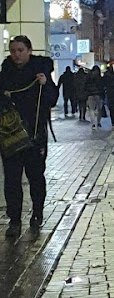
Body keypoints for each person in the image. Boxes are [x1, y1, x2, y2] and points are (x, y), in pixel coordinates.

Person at [0, 36, 58, 238]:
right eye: (13, 50)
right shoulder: (4, 73)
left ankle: (37, 212)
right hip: (11, 135)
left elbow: (51, 100)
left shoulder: (40, 71)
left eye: (20, 50)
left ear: (29, 50)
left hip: (34, 133)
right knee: (12, 179)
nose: (16, 54)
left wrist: (45, 84)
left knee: (35, 175)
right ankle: (14, 219)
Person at [84, 62, 105, 130]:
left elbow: (85, 86)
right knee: (99, 110)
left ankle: (93, 123)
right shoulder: (100, 78)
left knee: (91, 109)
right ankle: (98, 122)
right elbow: (102, 86)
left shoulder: (88, 78)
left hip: (90, 95)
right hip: (98, 95)